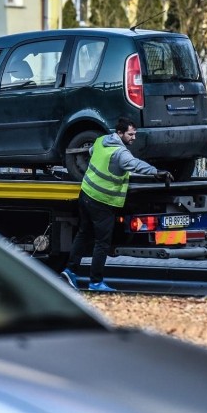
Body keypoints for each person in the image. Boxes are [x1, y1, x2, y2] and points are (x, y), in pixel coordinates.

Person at [60, 117, 172, 292]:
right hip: (101, 201)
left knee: (83, 233)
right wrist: (156, 172)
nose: (133, 138)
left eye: (135, 134)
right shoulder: (120, 153)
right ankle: (95, 282)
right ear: (119, 133)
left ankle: (70, 271)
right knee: (102, 243)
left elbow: (90, 153)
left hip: (86, 194)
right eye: (130, 134)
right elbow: (135, 165)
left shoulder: (100, 141)